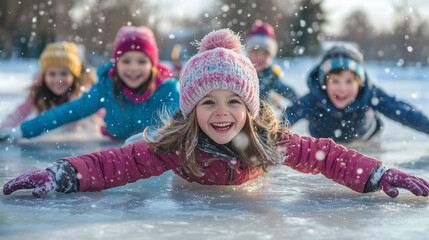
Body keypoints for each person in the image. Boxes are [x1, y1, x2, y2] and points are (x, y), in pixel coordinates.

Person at [3, 29, 428, 199]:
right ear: (191, 108)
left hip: (247, 182)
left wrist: (377, 174)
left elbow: (326, 155)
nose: (221, 113)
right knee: (140, 145)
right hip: (182, 172)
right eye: (207, 102)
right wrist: (62, 173)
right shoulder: (180, 144)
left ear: (249, 106)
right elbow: (118, 162)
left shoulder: (263, 142)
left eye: (233, 102)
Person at [0, 26, 180, 142]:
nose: (133, 68)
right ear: (116, 64)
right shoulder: (106, 87)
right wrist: (23, 131)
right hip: (113, 151)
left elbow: (178, 120)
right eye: (126, 61)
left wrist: (156, 137)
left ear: (153, 64)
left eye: (142, 61)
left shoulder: (168, 89)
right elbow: (69, 111)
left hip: (154, 155)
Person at [285, 44, 429, 143]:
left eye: (349, 81)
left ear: (359, 83)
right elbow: (288, 116)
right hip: (323, 141)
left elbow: (403, 112)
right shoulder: (313, 99)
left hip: (366, 137)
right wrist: (268, 137)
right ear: (325, 83)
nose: (342, 89)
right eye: (335, 81)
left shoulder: (370, 95)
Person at [0, 42, 99, 134]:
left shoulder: (84, 93)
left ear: (74, 76)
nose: (58, 79)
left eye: (64, 74)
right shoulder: (39, 93)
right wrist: (5, 129)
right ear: (43, 76)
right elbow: (20, 113)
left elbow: (101, 116)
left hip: (77, 141)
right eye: (52, 74)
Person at [245, 20, 297, 109]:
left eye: (265, 53)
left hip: (264, 117)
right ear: (248, 53)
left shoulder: (271, 75)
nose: (260, 57)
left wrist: (300, 102)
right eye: (256, 52)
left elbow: (287, 91)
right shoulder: (241, 72)